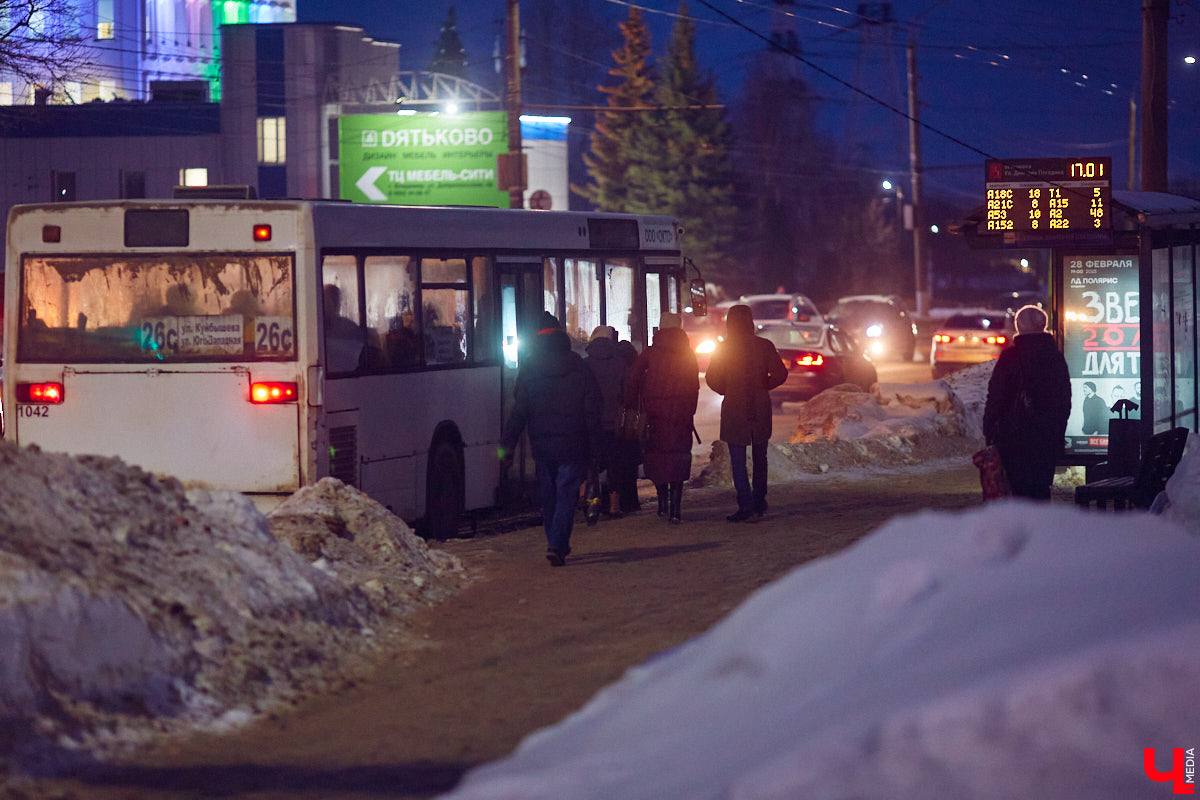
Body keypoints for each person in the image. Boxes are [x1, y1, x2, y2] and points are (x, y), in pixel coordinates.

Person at [500, 313, 602, 566]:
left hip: (543, 447)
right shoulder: (579, 365)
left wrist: (506, 448)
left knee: (549, 495)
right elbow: (593, 412)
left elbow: (519, 412)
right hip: (574, 444)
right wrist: (596, 450)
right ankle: (557, 544)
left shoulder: (530, 369)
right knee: (567, 493)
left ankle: (553, 541)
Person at [705, 303, 787, 522]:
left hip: (735, 409)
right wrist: (764, 385)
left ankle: (745, 505)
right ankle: (760, 501)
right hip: (760, 408)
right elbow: (780, 373)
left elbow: (712, 378)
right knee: (761, 458)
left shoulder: (724, 348)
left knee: (738, 460)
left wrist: (728, 390)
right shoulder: (765, 346)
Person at [982, 304, 1071, 500]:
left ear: (1019, 327)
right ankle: (1039, 526)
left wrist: (990, 429)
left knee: (1016, 489)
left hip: (1013, 436)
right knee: (1040, 488)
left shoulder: (1010, 357)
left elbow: (996, 395)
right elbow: (1064, 399)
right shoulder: (1054, 358)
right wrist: (1057, 430)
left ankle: (1021, 527)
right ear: (1043, 326)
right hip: (1045, 436)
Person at [624, 312, 700, 523]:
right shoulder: (688, 355)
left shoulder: (649, 354)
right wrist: (689, 410)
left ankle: (661, 501)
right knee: (678, 456)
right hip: (681, 414)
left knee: (657, 456)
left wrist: (635, 405)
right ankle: (676, 509)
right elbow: (694, 387)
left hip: (653, 415)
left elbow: (632, 379)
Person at [583, 325, 626, 519]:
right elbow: (627, 393)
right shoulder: (620, 364)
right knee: (614, 465)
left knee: (591, 464)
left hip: (591, 423)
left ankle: (590, 502)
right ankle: (614, 507)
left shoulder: (585, 364)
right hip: (614, 423)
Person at [611, 339, 643, 513]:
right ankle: (631, 501)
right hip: (631, 423)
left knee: (615, 464)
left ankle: (615, 501)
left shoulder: (615, 367)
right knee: (630, 466)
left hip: (615, 423)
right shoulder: (635, 369)